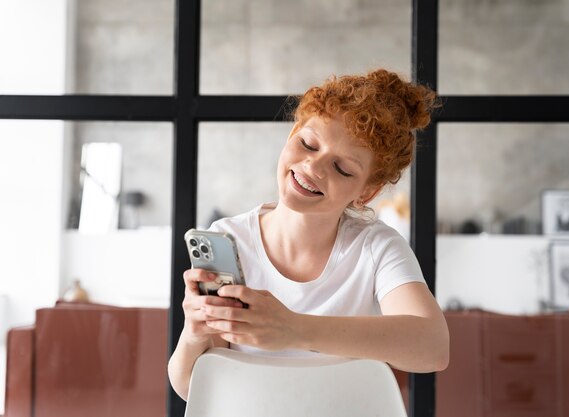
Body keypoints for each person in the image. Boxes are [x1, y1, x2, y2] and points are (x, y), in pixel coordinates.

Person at [168, 69, 450, 400]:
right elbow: (194, 390)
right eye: (308, 144)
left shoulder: (375, 247)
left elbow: (433, 346)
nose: (313, 168)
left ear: (366, 193)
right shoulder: (229, 239)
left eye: (342, 169)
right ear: (293, 133)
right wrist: (194, 332)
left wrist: (294, 329)